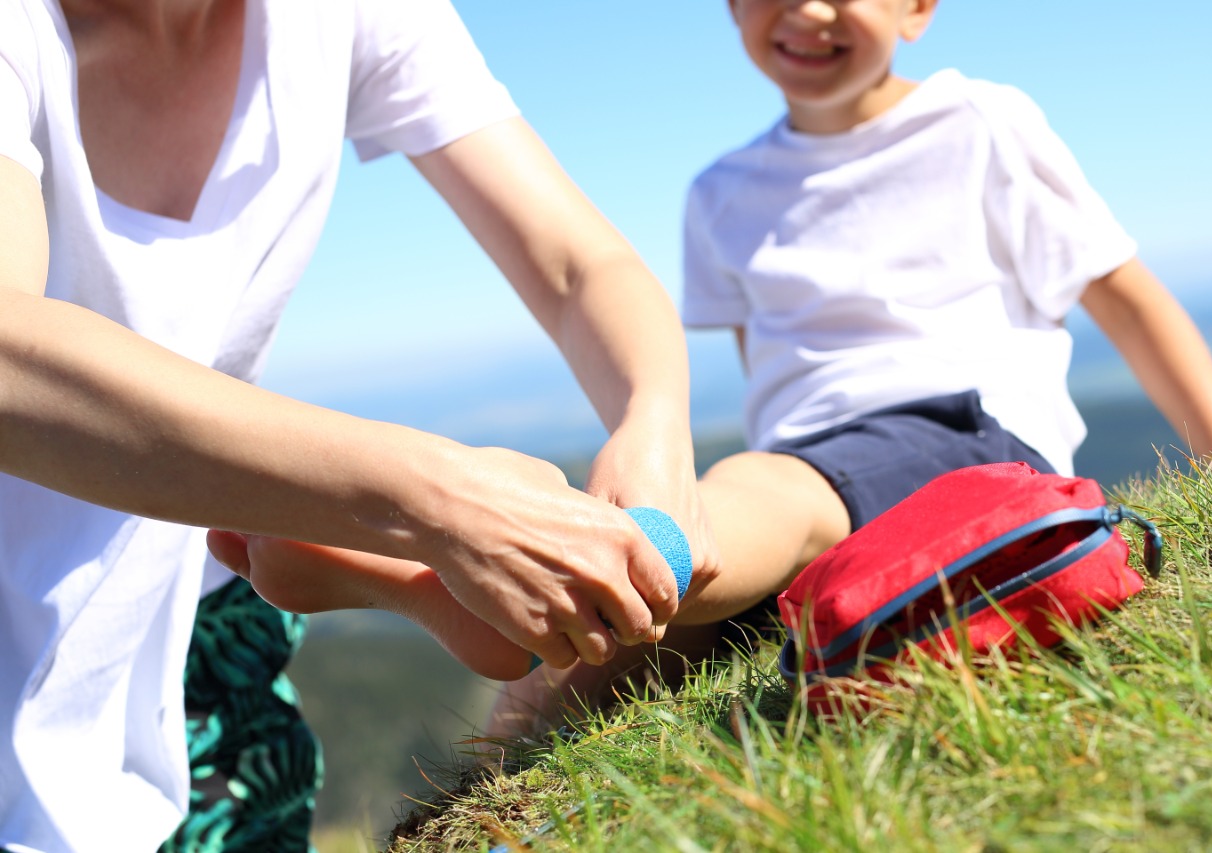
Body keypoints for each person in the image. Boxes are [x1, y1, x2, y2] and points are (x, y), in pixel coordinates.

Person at [227, 0, 1212, 742]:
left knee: (722, 523)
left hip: (965, 434)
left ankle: (492, 548)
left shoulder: (980, 124)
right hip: (809, 457)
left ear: (916, 8)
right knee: (604, 664)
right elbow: (776, 376)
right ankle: (481, 652)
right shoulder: (719, 193)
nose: (802, 11)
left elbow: (1126, 298)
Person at [0, 0, 719, 849]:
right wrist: (435, 502)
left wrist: (656, 425)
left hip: (199, 621)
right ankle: (312, 537)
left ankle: (298, 537)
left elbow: (575, 265)